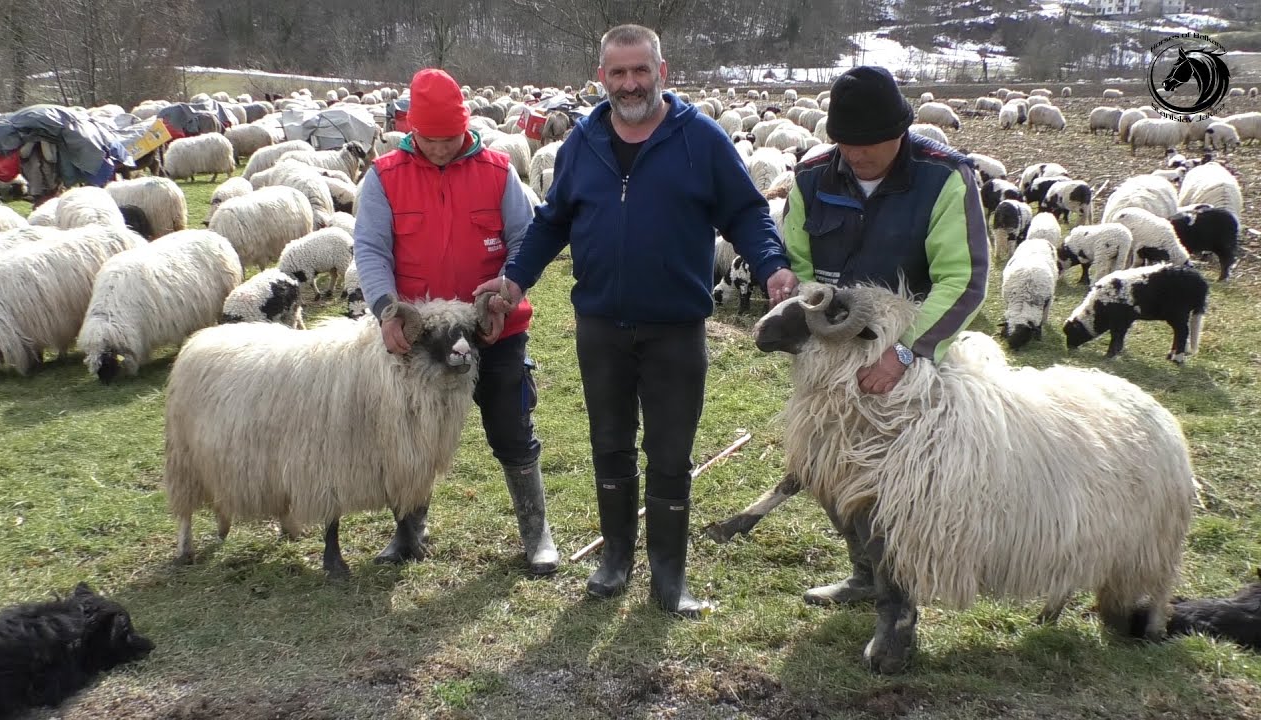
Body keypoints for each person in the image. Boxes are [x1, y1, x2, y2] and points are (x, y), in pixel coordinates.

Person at [476, 24, 798, 619]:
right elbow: (552, 221)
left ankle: (669, 577)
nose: (629, 84)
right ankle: (616, 559)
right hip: (600, 323)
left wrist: (771, 263)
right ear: (602, 77)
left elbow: (747, 212)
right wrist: (516, 276)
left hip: (675, 326)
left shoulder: (699, 139)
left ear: (661, 72)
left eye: (639, 71)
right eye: (617, 73)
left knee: (671, 451)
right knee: (609, 444)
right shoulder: (584, 142)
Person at [782, 65, 989, 605]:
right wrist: (814, 311)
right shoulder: (812, 178)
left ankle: (901, 584)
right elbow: (796, 262)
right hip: (831, 355)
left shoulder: (944, 177)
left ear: (901, 130)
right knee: (829, 463)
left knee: (901, 476)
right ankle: (863, 574)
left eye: (870, 143)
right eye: (846, 143)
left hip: (916, 358)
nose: (857, 155)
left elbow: (962, 278)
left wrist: (905, 352)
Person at [353, 68, 559, 575]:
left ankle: (537, 534)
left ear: (465, 126)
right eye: (431, 138)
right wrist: (385, 309)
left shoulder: (496, 170)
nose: (442, 148)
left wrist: (506, 293)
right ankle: (408, 530)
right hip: (417, 334)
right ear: (412, 129)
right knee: (409, 430)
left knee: (510, 423)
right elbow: (371, 248)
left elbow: (523, 240)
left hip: (491, 325)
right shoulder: (385, 176)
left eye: (451, 138)